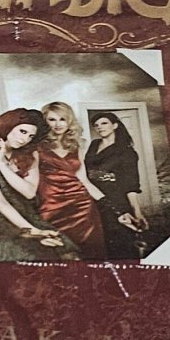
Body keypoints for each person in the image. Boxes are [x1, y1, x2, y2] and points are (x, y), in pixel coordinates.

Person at [0, 108, 79, 262]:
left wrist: (1, 164)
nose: (25, 139)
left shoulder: (31, 154)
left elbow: (29, 192)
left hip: (29, 217)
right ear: (7, 127)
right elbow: (1, 203)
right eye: (22, 131)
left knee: (69, 256)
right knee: (31, 259)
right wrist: (33, 232)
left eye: (30, 136)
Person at [36, 101, 107, 260]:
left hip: (82, 207)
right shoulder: (36, 146)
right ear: (45, 122)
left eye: (62, 119)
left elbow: (83, 179)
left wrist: (109, 205)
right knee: (57, 256)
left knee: (90, 255)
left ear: (69, 121)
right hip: (50, 206)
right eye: (52, 119)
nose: (58, 124)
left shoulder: (77, 145)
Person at [85, 111, 149, 260]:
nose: (99, 127)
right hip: (92, 196)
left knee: (120, 240)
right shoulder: (94, 145)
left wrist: (137, 212)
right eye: (96, 125)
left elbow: (130, 184)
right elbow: (87, 171)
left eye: (104, 123)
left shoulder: (126, 151)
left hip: (116, 199)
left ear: (115, 125)